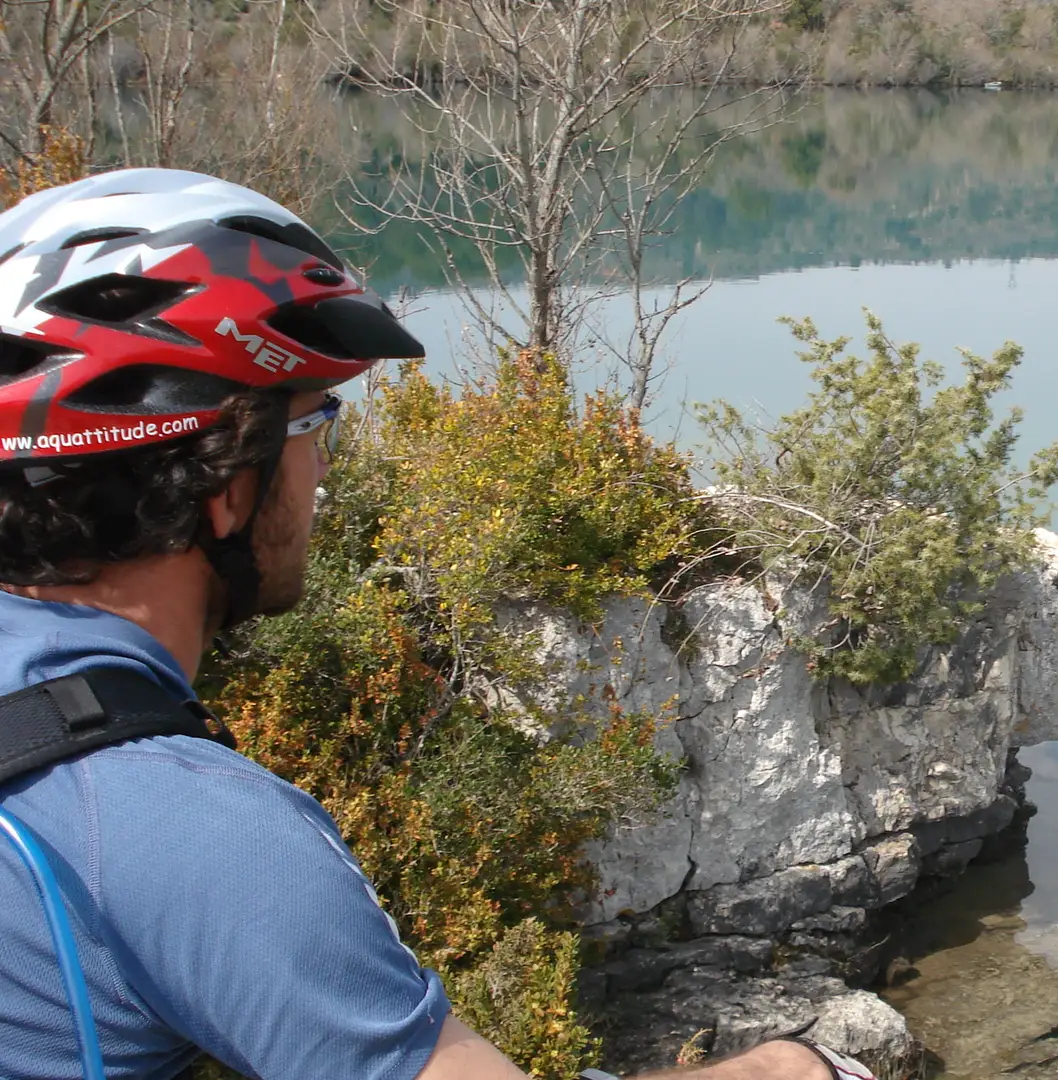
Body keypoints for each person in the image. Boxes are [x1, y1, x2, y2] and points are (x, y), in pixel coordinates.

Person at [0, 170, 869, 1080]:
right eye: (314, 425)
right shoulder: (185, 830)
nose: (326, 471)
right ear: (225, 485)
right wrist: (784, 1068)